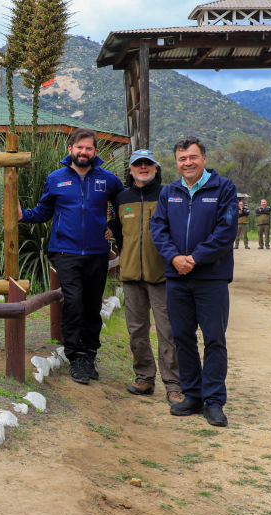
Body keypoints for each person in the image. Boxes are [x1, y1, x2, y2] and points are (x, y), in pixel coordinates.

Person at [18, 127, 123, 385]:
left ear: (95, 152)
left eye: (88, 148)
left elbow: (126, 205)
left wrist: (115, 224)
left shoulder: (107, 179)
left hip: (98, 253)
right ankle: (75, 357)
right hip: (66, 251)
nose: (84, 152)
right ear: (70, 150)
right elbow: (44, 211)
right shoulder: (56, 178)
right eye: (79, 148)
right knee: (74, 302)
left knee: (92, 306)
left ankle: (89, 355)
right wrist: (23, 216)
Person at [151, 136, 237, 427]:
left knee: (214, 339)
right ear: (176, 162)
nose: (187, 163)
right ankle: (193, 396)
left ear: (204, 158)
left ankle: (213, 401)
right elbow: (159, 229)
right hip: (177, 277)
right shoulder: (169, 192)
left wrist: (195, 258)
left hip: (211, 278)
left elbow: (226, 232)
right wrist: (175, 258)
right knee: (183, 338)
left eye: (193, 157)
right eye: (182, 159)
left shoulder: (223, 188)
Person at [115, 149, 183, 404]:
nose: (143, 167)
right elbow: (119, 234)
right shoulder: (122, 198)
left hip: (162, 276)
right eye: (137, 164)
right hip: (132, 275)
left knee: (168, 331)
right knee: (136, 331)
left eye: (148, 164)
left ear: (156, 168)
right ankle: (144, 377)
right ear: (131, 170)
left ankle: (174, 384)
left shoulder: (169, 195)